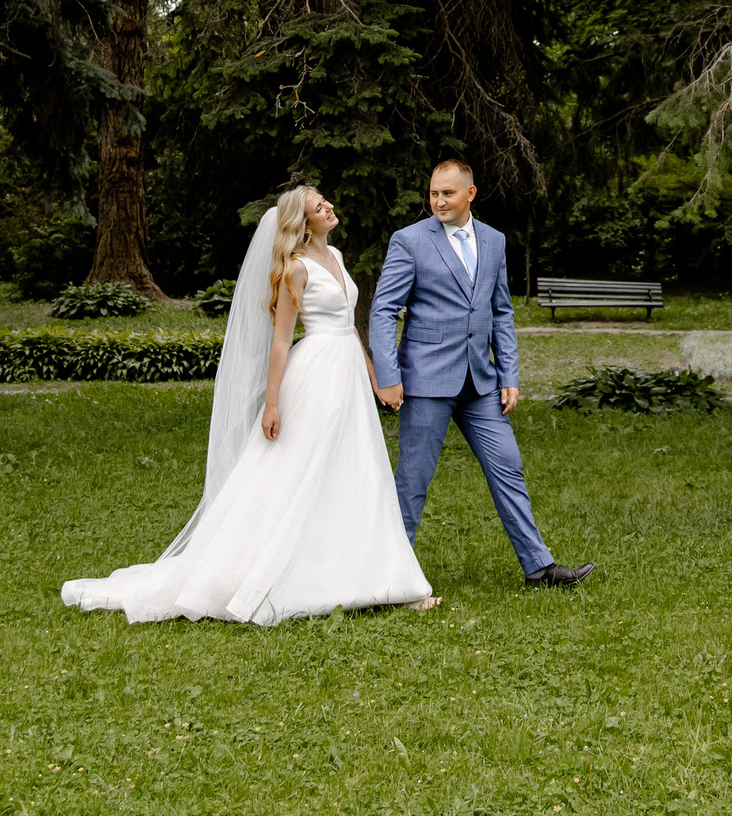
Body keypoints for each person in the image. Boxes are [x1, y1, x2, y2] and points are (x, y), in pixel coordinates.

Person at [60, 186, 437, 625]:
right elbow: (281, 340)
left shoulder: (334, 257)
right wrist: (271, 402)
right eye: (319, 206)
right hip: (316, 374)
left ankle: (385, 578)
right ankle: (280, 573)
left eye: (326, 200)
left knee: (358, 467)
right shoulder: (294, 270)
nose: (330, 206)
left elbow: (349, 325)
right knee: (301, 470)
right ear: (302, 221)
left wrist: (376, 379)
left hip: (348, 373)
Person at [370, 158, 597, 588]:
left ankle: (539, 568)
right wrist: (388, 375)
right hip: (425, 381)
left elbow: (500, 311)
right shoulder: (409, 240)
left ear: (470, 194)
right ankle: (388, 577)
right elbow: (383, 310)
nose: (438, 200)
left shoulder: (494, 240)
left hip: (481, 381)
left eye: (448, 193)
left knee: (508, 467)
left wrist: (509, 374)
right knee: (413, 481)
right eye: (434, 193)